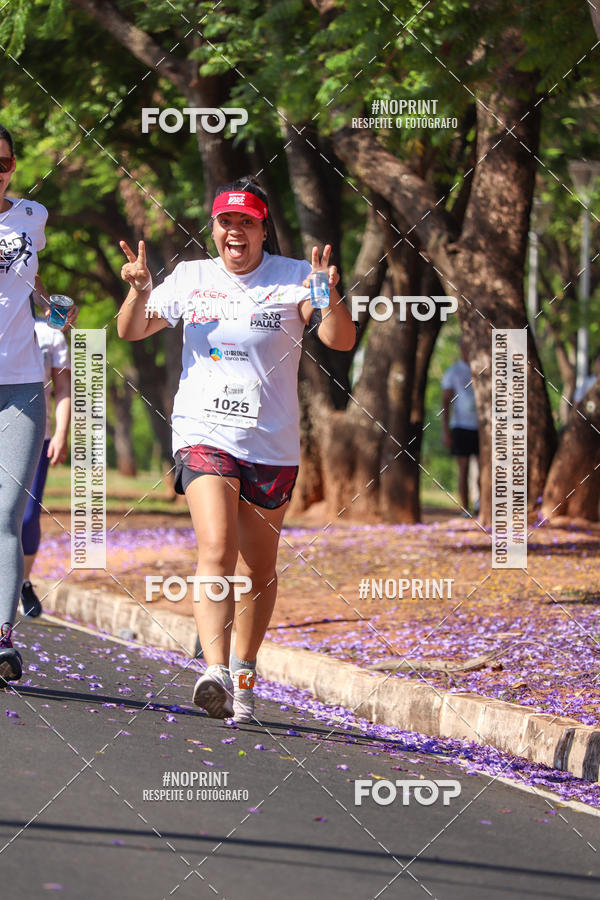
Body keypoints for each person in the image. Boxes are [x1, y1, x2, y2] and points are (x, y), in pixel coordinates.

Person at [117, 177, 355, 722]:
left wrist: (328, 296)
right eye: (226, 222)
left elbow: (341, 340)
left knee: (257, 569)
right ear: (214, 227)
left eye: (246, 221)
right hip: (204, 434)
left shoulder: (296, 278)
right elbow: (131, 330)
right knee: (216, 547)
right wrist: (137, 288)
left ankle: (245, 674)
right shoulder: (191, 278)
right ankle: (215, 671)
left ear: (262, 227)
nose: (235, 231)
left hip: (270, 441)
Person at [0, 124, 77, 683]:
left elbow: (29, 281)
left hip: (23, 382)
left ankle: (2, 638)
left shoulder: (31, 215)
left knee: (7, 516)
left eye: (2, 164)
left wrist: (54, 309)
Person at [21, 315, 71, 617]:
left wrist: (62, 433)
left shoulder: (51, 333)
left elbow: (63, 386)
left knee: (27, 517)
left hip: (38, 435)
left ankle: (23, 582)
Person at [442, 340, 480, 514]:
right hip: (460, 426)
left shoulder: (482, 369)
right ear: (460, 349)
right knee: (463, 469)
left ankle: (481, 503)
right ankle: (465, 508)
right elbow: (445, 402)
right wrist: (446, 431)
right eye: (464, 346)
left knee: (483, 469)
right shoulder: (453, 372)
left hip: (481, 428)